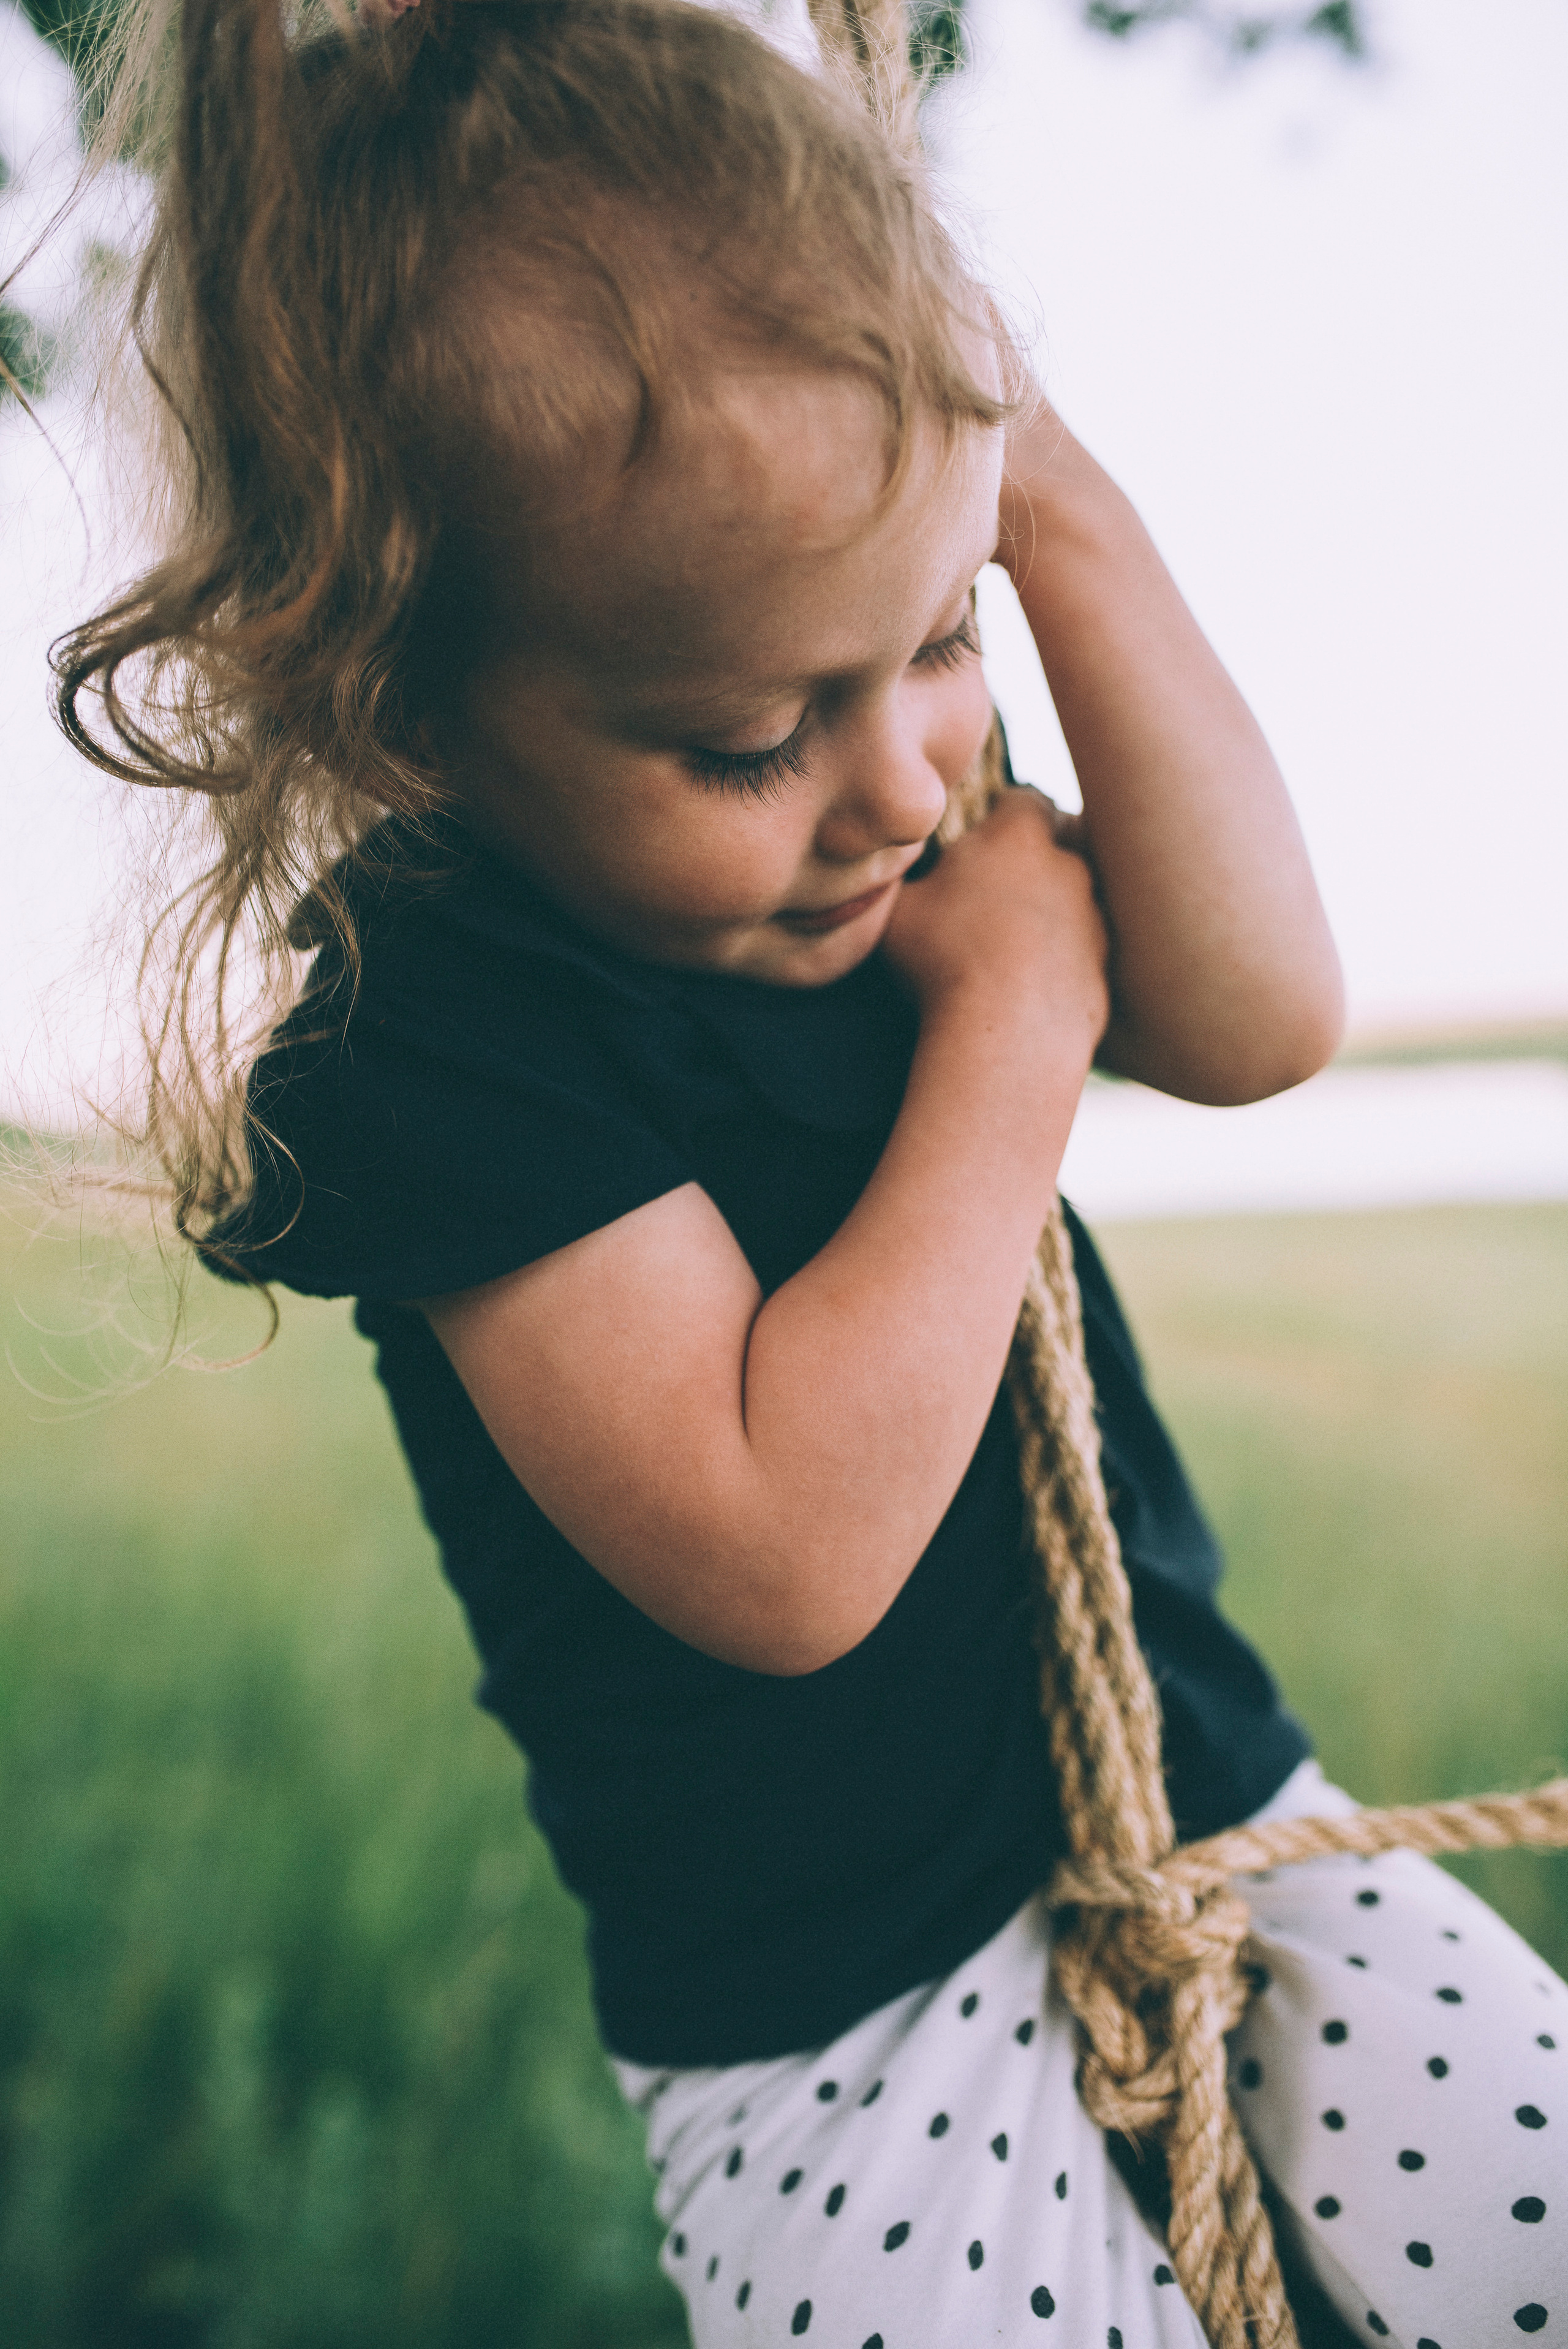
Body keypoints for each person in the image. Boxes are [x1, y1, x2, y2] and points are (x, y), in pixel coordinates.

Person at [58, 0, 1566, 2337]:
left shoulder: (873, 826)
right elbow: (780, 1547)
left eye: (939, 639)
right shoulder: (440, 1022)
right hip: (849, 2048)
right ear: (406, 698)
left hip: (1221, 1811)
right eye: (759, 733)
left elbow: (1264, 1021)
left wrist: (1032, 488)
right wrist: (1017, 1017)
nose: (890, 781)